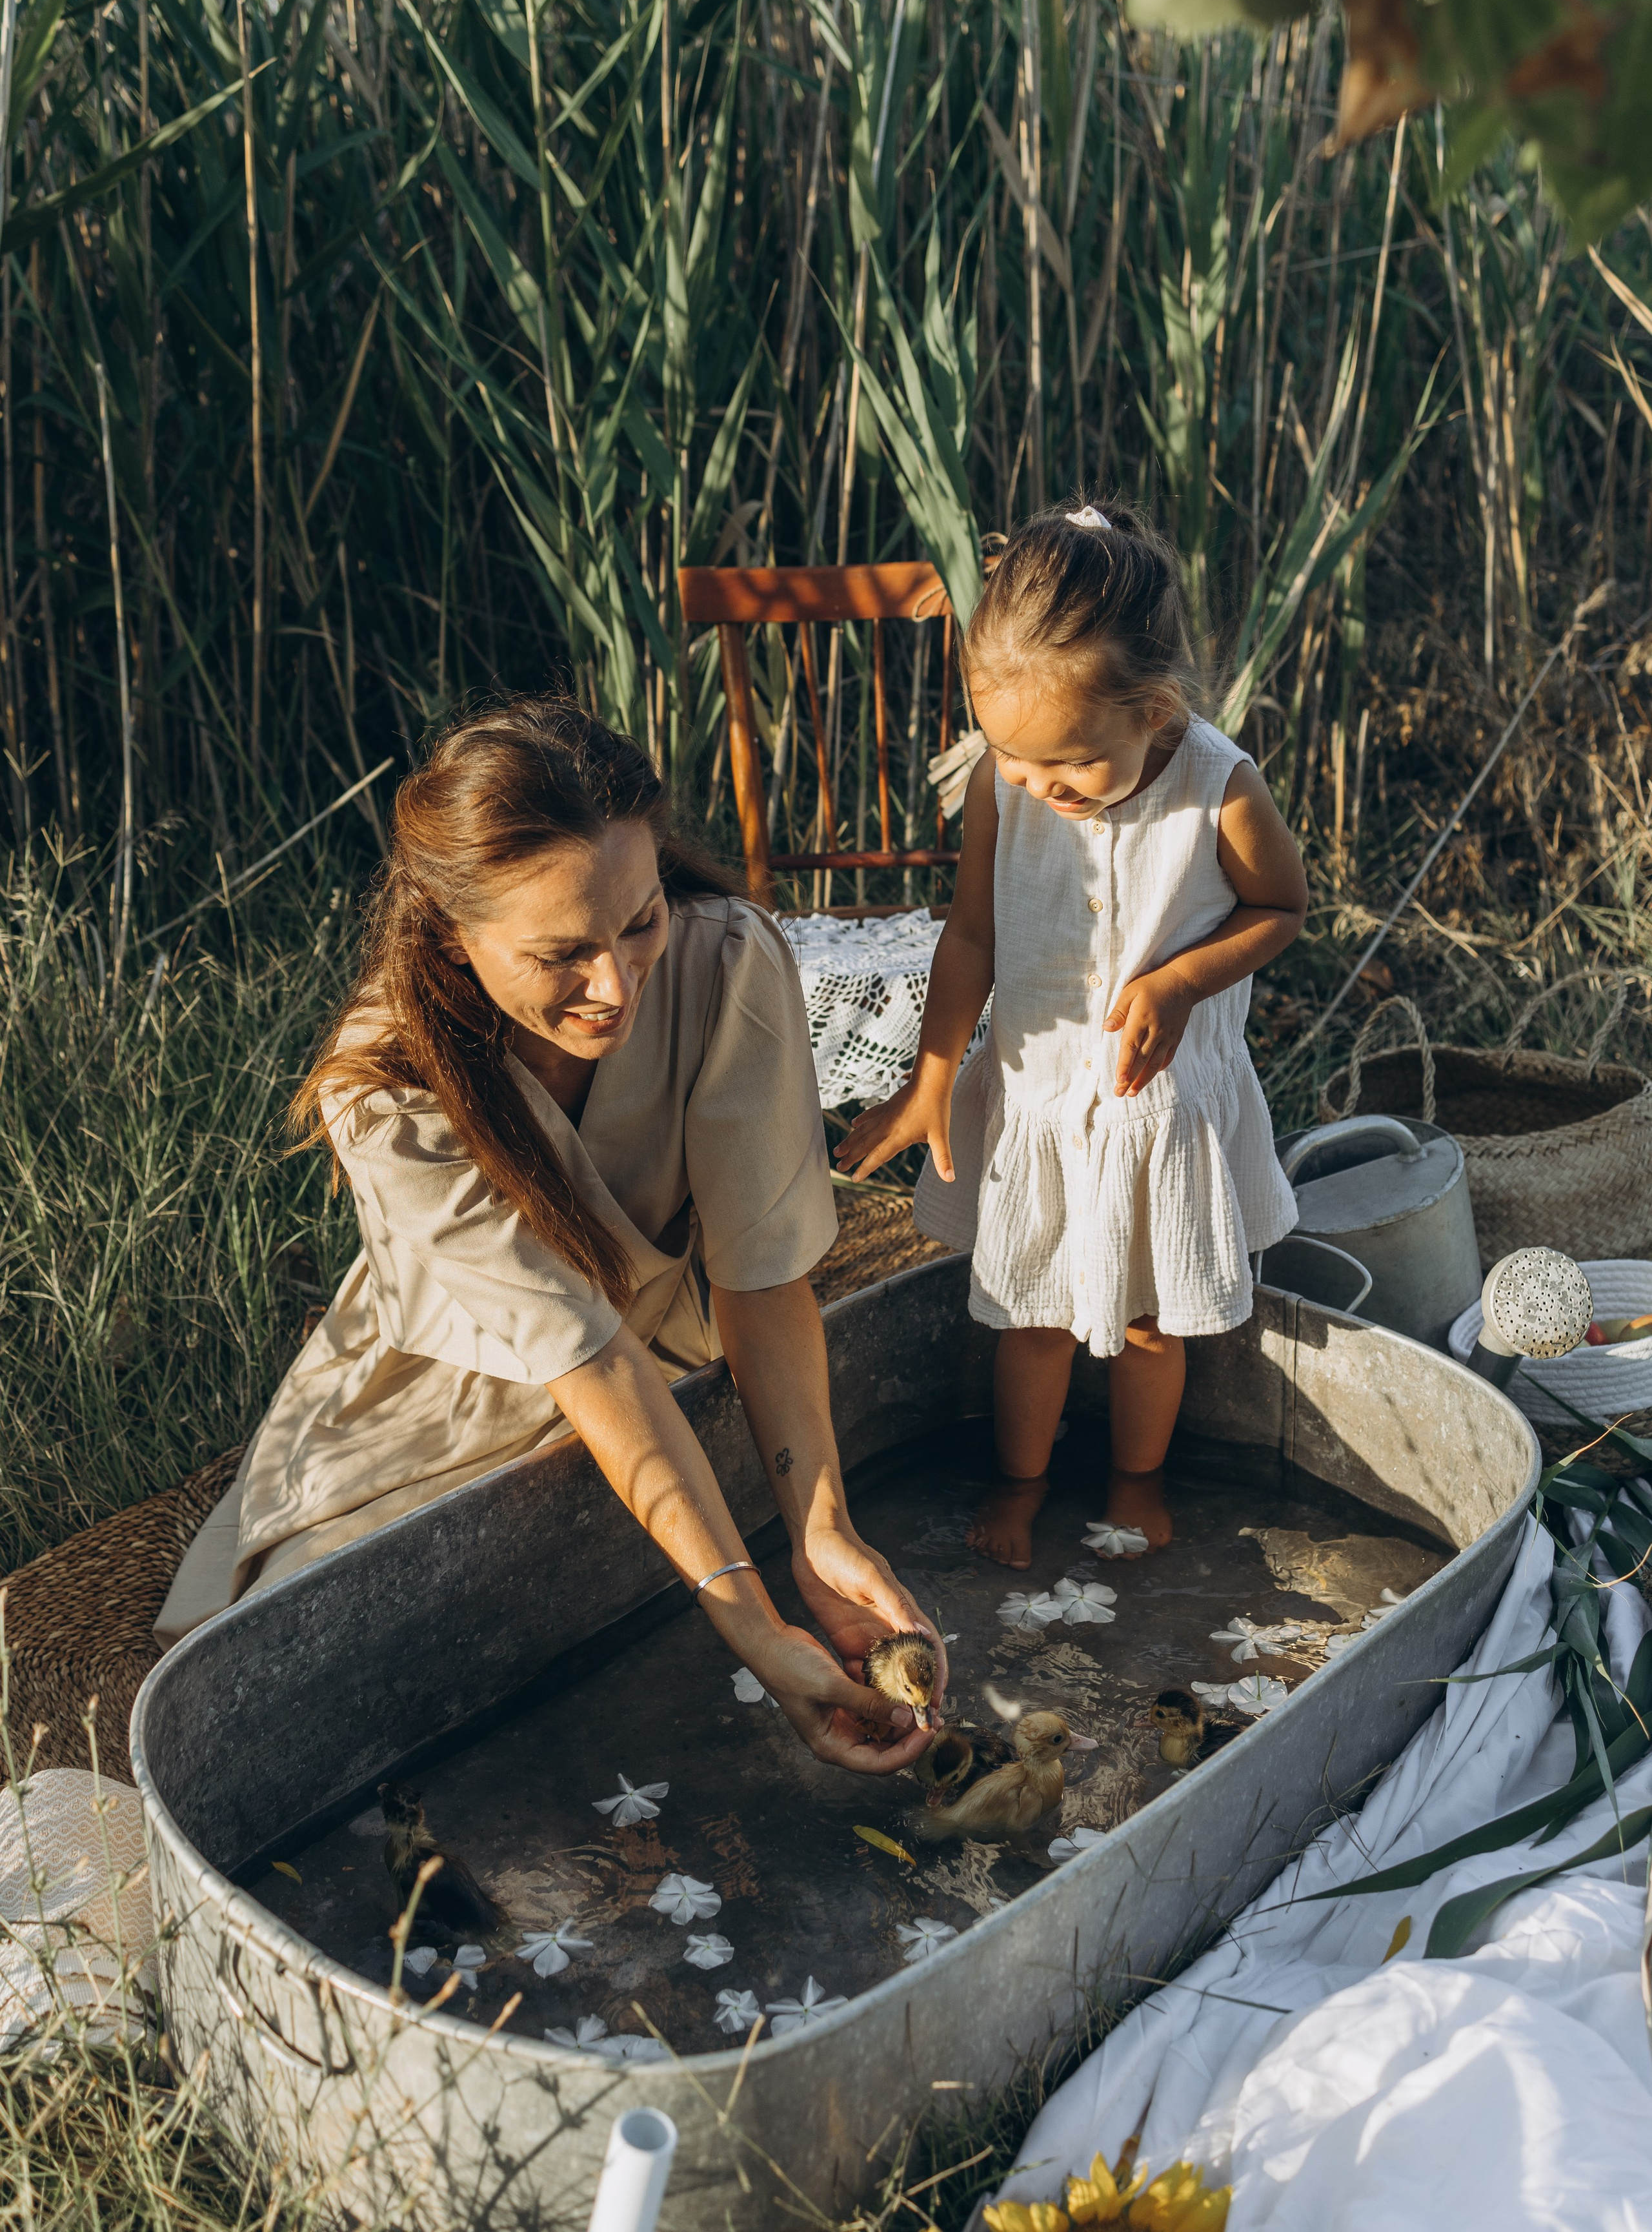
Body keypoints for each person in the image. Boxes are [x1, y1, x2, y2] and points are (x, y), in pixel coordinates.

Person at [157, 697, 945, 1772]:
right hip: (447, 1394)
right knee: (291, 1693)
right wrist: (754, 1627)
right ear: (452, 934)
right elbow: (588, 1363)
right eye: (560, 954)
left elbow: (760, 1275)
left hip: (669, 1347)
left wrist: (819, 1531)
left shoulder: (724, 962)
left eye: (639, 920)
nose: (616, 984)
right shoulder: (387, 1087)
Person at [837, 502, 1307, 1568]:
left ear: (1152, 712)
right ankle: (1023, 1482)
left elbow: (1281, 909)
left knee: (1150, 1322)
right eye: (1011, 757)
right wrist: (933, 1076)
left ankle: (1137, 1479)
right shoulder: (1008, 788)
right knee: (1029, 1311)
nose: (1037, 786)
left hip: (1159, 1105)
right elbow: (970, 935)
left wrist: (1183, 982)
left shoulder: (1217, 789)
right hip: (1043, 1096)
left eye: (1068, 767)